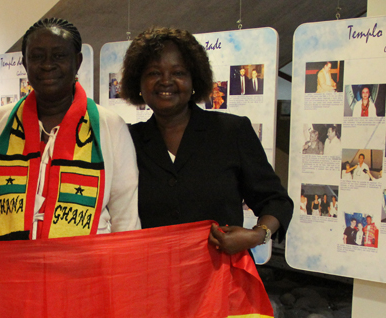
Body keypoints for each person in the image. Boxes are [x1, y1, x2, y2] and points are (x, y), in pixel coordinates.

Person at [120, 27, 292, 255]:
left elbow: (276, 201)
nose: (166, 81)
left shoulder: (231, 131)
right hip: (153, 279)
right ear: (138, 84)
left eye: (178, 72)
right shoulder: (128, 141)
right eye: (153, 73)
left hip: (220, 279)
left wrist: (257, 235)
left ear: (194, 80)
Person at [0, 18, 140, 240]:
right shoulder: (0, 122)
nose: (47, 64)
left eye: (59, 56)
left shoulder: (109, 125)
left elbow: (126, 218)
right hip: (10, 268)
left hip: (85, 270)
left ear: (78, 61)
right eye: (37, 57)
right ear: (25, 64)